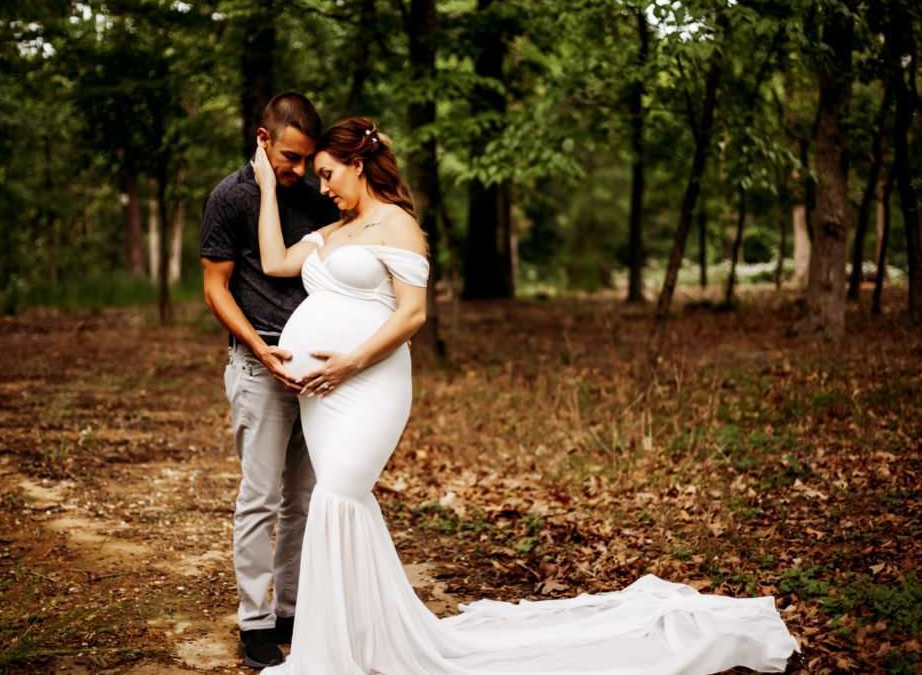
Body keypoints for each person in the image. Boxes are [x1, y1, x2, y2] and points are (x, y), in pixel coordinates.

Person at [251, 117, 800, 674]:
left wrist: (349, 362)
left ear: (359, 165)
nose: (322, 188)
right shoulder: (332, 232)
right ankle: (358, 639)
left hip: (367, 385)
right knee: (341, 502)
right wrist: (268, 188)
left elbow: (413, 314)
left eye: (328, 174)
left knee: (339, 495)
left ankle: (336, 653)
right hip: (320, 396)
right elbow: (274, 261)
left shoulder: (398, 226)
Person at [200, 92, 339, 669]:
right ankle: (254, 620)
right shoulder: (230, 198)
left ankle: (292, 609)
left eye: (307, 159)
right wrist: (259, 347)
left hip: (316, 374)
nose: (299, 170)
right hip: (259, 366)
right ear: (262, 140)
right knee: (259, 498)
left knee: (303, 498)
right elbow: (215, 286)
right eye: (288, 157)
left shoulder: (317, 200)